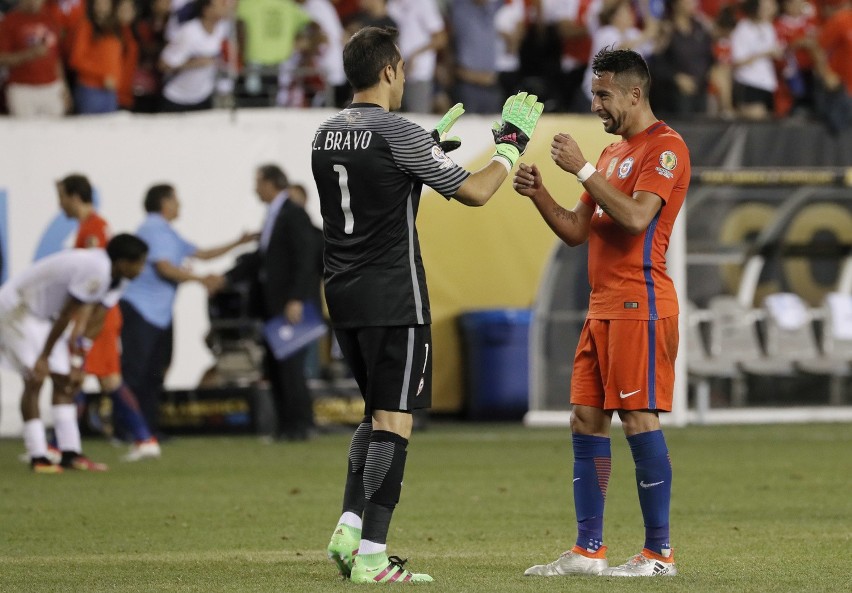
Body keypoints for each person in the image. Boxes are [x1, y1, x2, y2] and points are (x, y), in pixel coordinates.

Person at [313, 26, 543, 584]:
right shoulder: (399, 132)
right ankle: (372, 555)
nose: (406, 76)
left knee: (374, 413)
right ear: (390, 69)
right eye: (402, 68)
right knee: (396, 420)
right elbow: (477, 191)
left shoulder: (325, 132)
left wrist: (428, 155)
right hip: (395, 294)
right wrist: (510, 143)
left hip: (343, 293)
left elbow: (374, 193)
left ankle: (348, 524)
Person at [514, 47, 689, 578]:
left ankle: (659, 554)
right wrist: (541, 194)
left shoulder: (666, 149)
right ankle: (589, 550)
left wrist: (583, 168)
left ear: (635, 93)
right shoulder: (613, 155)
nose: (596, 105)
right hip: (602, 307)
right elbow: (575, 231)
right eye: (594, 94)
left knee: (639, 419)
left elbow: (637, 218)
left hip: (641, 304)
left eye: (603, 94)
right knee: (585, 418)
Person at [0, 234, 149, 473]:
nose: (142, 269)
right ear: (122, 262)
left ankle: (70, 454)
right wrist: (44, 357)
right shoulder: (97, 269)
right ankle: (38, 456)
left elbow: (96, 317)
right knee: (35, 378)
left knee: (67, 381)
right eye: (139, 263)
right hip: (18, 309)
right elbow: (67, 314)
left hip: (45, 318)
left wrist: (79, 360)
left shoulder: (118, 279)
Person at [120, 183, 254, 441]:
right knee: (137, 373)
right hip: (141, 309)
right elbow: (164, 267)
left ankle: (147, 429)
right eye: (176, 199)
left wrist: (238, 242)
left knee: (155, 372)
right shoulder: (152, 228)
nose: (179, 204)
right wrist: (200, 280)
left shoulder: (168, 233)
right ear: (164, 203)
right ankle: (127, 429)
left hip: (159, 314)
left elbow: (201, 254)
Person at [56, 173, 160, 461]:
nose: (60, 204)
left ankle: (58, 444)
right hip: (98, 314)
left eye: (62, 196)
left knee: (79, 374)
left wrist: (83, 323)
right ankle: (144, 438)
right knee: (106, 380)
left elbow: (98, 280)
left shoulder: (95, 229)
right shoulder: (88, 226)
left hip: (98, 316)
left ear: (75, 197)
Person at [223, 165, 321, 442]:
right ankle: (284, 426)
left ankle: (300, 425)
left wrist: (297, 298)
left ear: (270, 183)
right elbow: (263, 259)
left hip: (288, 306)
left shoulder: (293, 213)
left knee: (291, 367)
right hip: (271, 305)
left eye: (257, 183)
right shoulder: (274, 215)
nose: (255, 189)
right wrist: (226, 277)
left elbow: (305, 260)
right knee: (276, 366)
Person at [0, 0, 70, 117]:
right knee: (25, 132)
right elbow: (2, 58)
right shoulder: (9, 21)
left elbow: (56, 57)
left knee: (55, 132)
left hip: (51, 87)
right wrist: (29, 54)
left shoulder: (50, 18)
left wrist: (64, 87)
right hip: (22, 88)